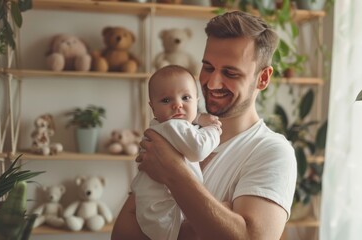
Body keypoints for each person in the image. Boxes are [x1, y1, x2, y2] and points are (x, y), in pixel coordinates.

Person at [112, 10, 297, 240]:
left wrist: (173, 172)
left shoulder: (272, 151)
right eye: (208, 67)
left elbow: (251, 237)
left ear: (263, 78)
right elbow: (123, 233)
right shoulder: (176, 129)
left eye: (230, 72)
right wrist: (205, 225)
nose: (211, 82)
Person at [131, 64, 222, 240]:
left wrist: (199, 118)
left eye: (186, 97)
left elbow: (188, 125)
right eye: (166, 100)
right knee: (218, 214)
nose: (177, 105)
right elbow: (198, 149)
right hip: (165, 214)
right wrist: (212, 130)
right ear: (153, 108)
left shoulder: (163, 126)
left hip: (155, 212)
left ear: (197, 100)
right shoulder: (173, 126)